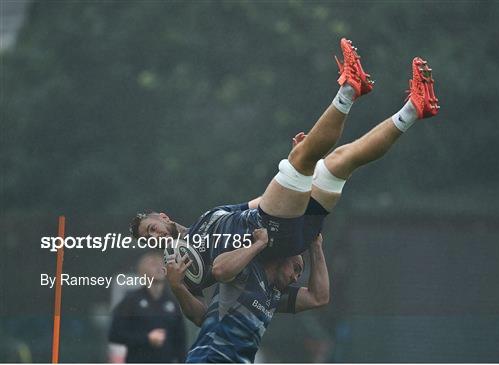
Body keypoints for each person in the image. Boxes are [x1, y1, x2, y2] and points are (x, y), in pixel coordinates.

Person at [130, 37, 440, 293]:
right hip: (274, 233)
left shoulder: (207, 218)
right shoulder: (185, 264)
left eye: (151, 228)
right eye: (149, 239)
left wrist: (298, 181)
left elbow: (258, 202)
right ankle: (349, 89)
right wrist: (179, 286)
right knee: (303, 160)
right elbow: (210, 289)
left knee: (340, 161)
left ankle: (414, 109)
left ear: (162, 216)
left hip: (292, 224)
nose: (154, 235)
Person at [165, 229, 329, 363]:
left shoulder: (275, 295)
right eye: (296, 268)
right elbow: (219, 269)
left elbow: (318, 297)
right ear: (282, 257)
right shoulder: (248, 269)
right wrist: (259, 244)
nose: (295, 277)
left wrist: (316, 246)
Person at [109, 251, 187, 363]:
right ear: (142, 271)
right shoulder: (131, 300)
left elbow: (180, 341)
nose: (159, 268)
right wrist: (146, 339)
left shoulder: (172, 302)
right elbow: (115, 334)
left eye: (161, 264)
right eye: (153, 264)